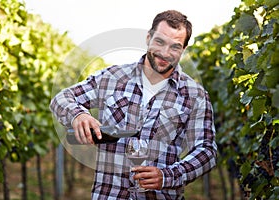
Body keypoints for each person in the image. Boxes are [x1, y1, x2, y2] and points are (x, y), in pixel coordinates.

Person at [50, 10, 217, 200]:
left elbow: (206, 151)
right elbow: (62, 98)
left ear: (183, 50)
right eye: (160, 42)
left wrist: (168, 176)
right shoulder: (112, 78)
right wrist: (78, 115)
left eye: (175, 47)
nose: (164, 53)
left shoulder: (195, 95)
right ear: (148, 37)